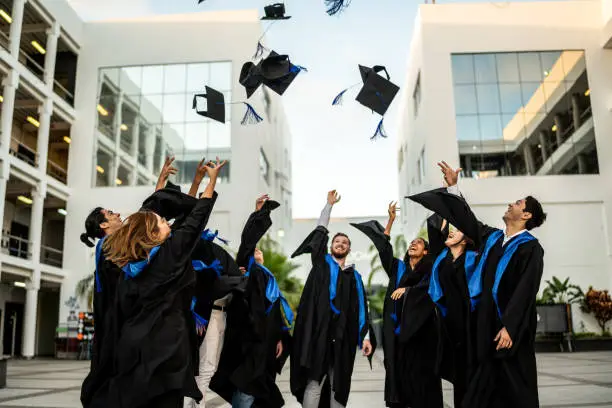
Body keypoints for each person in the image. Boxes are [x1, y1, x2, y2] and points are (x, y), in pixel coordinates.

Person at [102, 158, 225, 408]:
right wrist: (211, 181)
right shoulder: (169, 256)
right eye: (161, 223)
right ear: (152, 235)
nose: (167, 222)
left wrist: (196, 181)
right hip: (166, 351)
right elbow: (195, 219)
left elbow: (169, 220)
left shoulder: (131, 267)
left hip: (134, 348)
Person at [437, 161, 546, 408]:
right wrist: (454, 188)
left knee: (513, 388)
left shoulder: (530, 248)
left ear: (527, 215)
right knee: (482, 387)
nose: (511, 204)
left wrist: (509, 326)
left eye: (518, 203)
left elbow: (525, 291)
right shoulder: (493, 239)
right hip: (483, 325)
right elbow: (467, 221)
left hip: (508, 330)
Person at [80, 156, 178, 408]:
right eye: (111, 214)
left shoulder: (115, 244)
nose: (118, 214)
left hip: (118, 318)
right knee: (115, 373)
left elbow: (147, 219)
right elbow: (147, 218)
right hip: (116, 320)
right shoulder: (108, 246)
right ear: (103, 224)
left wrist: (161, 182)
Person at [351, 203, 442, 408]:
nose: (413, 244)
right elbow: (384, 249)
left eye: (418, 243)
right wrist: (390, 221)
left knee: (421, 372)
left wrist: (408, 291)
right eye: (412, 242)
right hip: (397, 330)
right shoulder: (398, 268)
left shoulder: (430, 269)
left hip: (422, 330)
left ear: (426, 251)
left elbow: (430, 291)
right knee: (396, 368)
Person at [290, 190, 374, 408]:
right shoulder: (322, 264)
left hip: (342, 336)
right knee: (314, 380)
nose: (340, 244)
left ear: (349, 249)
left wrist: (365, 337)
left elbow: (362, 310)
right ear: (330, 246)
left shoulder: (354, 277)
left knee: (340, 384)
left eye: (345, 242)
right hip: (320, 333)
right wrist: (328, 206)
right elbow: (319, 234)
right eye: (337, 241)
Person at [210, 196, 292, 408]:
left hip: (266, 342)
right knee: (246, 386)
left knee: (259, 391)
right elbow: (248, 241)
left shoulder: (268, 279)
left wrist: (280, 338)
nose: (256, 251)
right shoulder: (245, 273)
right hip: (246, 340)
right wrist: (258, 214)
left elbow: (276, 313)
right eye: (253, 251)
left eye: (258, 251)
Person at [407, 186, 482, 407]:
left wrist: (455, 192)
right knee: (459, 383)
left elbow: (469, 221)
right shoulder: (441, 260)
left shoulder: (474, 259)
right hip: (449, 329)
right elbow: (436, 227)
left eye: (457, 229)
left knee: (473, 382)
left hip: (471, 326)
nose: (451, 230)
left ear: (467, 238)